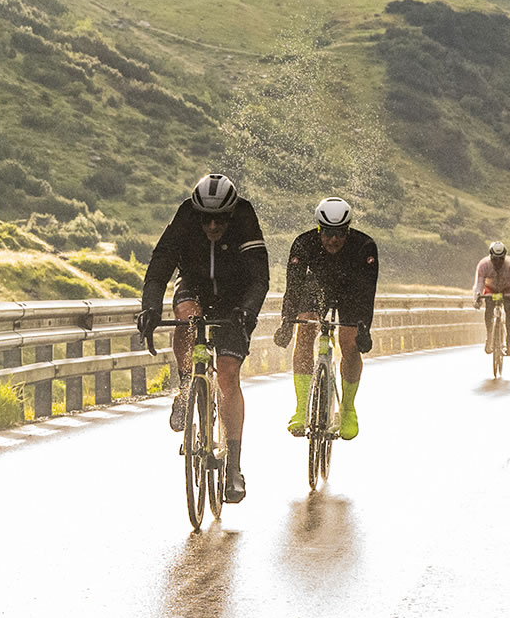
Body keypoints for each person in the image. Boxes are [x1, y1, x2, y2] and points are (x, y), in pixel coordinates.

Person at [137, 173, 269, 503]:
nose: (212, 227)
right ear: (197, 213)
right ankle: (186, 387)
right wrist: (151, 308)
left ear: (231, 214)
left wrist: (248, 311)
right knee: (186, 318)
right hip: (194, 285)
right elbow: (159, 266)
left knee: (227, 374)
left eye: (220, 219)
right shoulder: (186, 216)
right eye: (206, 219)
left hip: (235, 297)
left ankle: (233, 468)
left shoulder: (245, 216)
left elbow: (259, 277)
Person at [274, 197, 379, 440]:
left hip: (350, 290)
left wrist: (365, 328)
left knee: (350, 345)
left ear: (348, 230)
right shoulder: (303, 243)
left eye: (340, 233)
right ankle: (301, 409)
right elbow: (294, 287)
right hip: (316, 287)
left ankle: (348, 409)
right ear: (319, 229)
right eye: (328, 233)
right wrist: (286, 322)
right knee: (305, 331)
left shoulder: (364, 246)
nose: (333, 239)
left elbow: (367, 293)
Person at [473, 240, 510, 356]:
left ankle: (509, 342)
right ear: (490, 256)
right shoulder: (484, 265)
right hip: (491, 288)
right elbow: (479, 284)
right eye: (495, 259)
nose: (498, 262)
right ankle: (489, 337)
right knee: (489, 308)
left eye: (501, 259)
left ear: (504, 257)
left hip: (506, 289)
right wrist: (477, 298)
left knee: (509, 310)